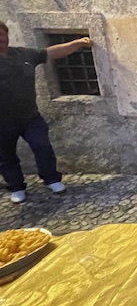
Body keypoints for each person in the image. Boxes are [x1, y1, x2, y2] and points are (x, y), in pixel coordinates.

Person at [0, 20, 93, 203]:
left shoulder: (23, 54)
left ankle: (51, 179)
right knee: (5, 157)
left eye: (0, 35)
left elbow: (52, 52)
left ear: (6, 35)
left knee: (42, 147)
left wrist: (78, 43)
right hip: (2, 122)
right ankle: (17, 187)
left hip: (30, 116)